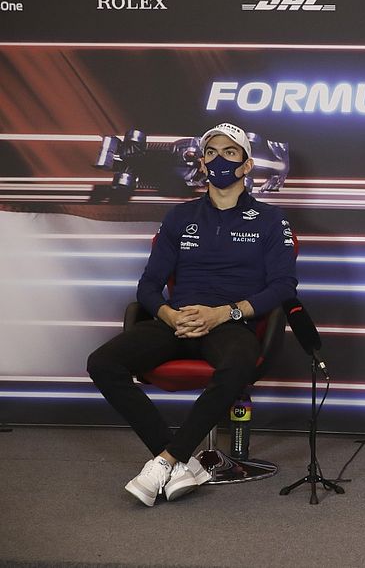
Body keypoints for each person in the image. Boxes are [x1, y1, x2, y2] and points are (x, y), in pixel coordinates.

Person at [87, 123, 297, 506]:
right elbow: (148, 287)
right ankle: (181, 462)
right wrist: (168, 315)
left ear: (247, 165)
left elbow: (283, 286)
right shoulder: (179, 217)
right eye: (212, 153)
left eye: (230, 153)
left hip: (230, 323)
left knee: (239, 363)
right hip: (178, 321)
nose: (219, 159)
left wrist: (224, 313)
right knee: (102, 363)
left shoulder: (270, 219)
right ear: (202, 162)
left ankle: (165, 460)